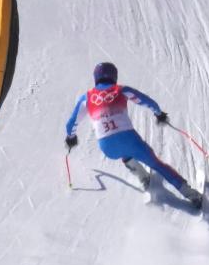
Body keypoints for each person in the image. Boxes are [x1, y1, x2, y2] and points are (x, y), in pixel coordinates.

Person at [65, 62, 200, 208]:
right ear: (114, 76)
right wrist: (159, 114)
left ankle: (143, 177)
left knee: (123, 152)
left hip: (107, 148)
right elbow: (147, 101)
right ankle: (191, 194)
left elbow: (71, 123)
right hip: (130, 140)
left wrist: (71, 138)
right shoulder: (120, 90)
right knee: (156, 164)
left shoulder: (86, 97)